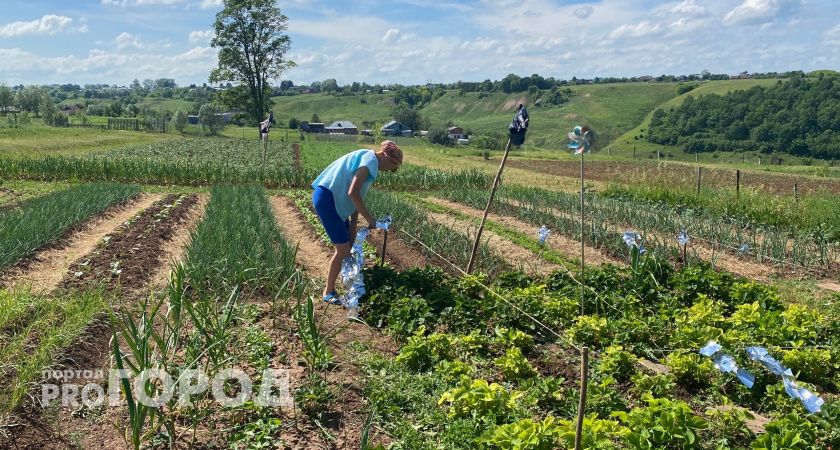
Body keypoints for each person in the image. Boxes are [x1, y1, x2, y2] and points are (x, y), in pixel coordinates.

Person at [311, 140, 403, 305]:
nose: (390, 170)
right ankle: (328, 292)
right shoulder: (370, 162)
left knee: (348, 246)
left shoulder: (368, 159)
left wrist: (353, 223)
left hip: (334, 200)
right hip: (328, 200)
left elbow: (355, 194)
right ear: (385, 156)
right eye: (392, 166)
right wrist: (370, 219)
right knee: (343, 250)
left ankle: (346, 283)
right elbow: (353, 192)